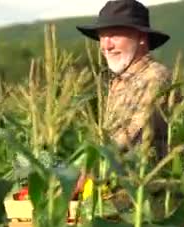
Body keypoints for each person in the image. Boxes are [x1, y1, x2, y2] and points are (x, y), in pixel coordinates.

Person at [73, 0, 174, 198]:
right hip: (113, 188)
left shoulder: (154, 76)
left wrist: (86, 172)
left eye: (115, 35)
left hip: (145, 196)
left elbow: (132, 134)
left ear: (142, 38)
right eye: (102, 36)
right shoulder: (118, 80)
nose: (106, 45)